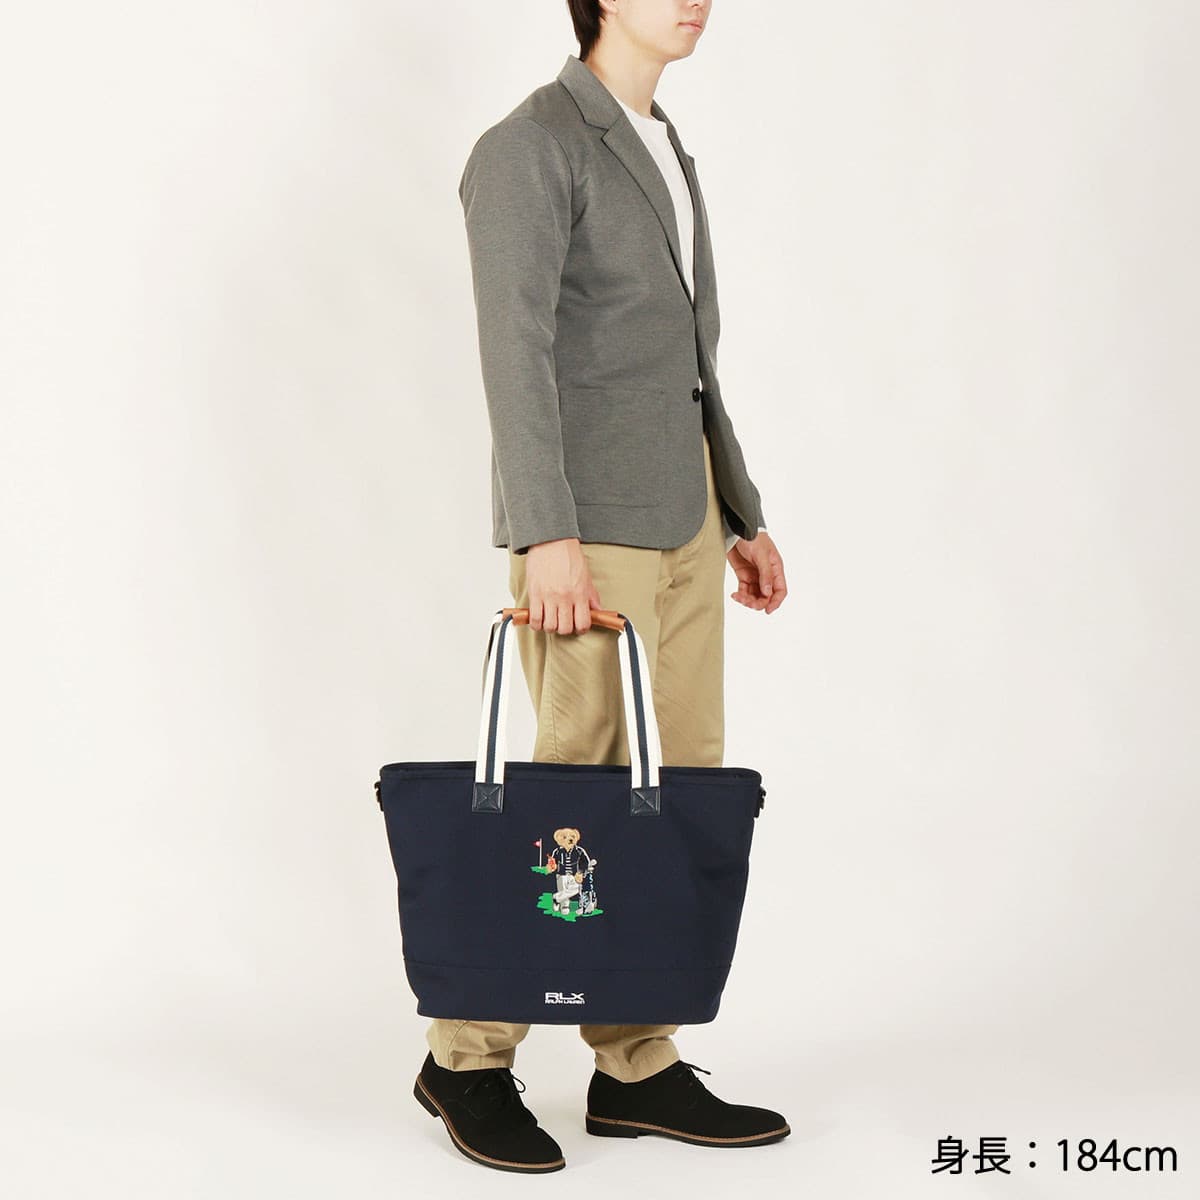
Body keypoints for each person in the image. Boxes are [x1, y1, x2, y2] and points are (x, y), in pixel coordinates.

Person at [412, 0, 790, 1173]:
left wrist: (741, 511)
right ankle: (465, 1058)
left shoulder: (662, 142)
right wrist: (545, 535)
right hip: (588, 534)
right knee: (566, 795)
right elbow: (513, 353)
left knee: (674, 792)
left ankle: (635, 1061)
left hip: (686, 521)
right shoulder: (529, 146)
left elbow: (690, 361)